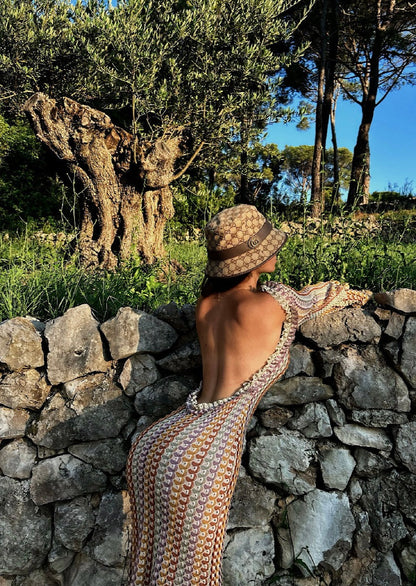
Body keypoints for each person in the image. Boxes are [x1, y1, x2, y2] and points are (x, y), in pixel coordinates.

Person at [126, 204, 371, 586]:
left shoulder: (206, 305)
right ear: (251, 260)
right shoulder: (273, 304)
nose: (277, 250)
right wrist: (348, 292)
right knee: (194, 575)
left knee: (152, 568)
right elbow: (318, 298)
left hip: (160, 441)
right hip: (206, 449)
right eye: (269, 245)